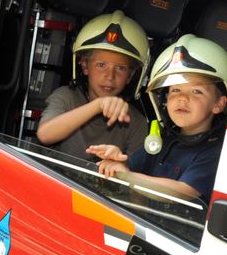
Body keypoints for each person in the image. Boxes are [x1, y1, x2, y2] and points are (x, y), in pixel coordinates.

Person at [88, 34, 227, 203]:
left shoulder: (216, 152)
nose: (182, 98)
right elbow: (132, 172)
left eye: (196, 91)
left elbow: (183, 192)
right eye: (175, 90)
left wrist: (127, 175)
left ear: (219, 104)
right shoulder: (162, 142)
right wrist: (119, 161)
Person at [36, 10, 149, 161]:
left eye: (121, 68)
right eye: (101, 65)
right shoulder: (66, 97)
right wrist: (98, 105)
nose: (110, 76)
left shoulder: (136, 122)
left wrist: (121, 164)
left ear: (130, 75)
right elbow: (45, 135)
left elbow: (134, 171)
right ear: (85, 66)